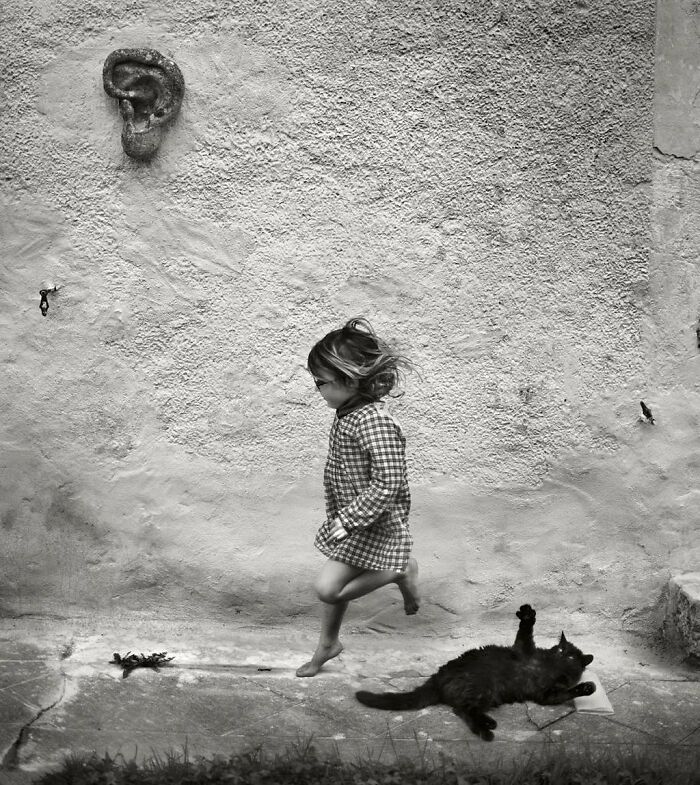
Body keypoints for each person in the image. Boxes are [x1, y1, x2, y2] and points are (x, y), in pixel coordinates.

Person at [296, 317, 420, 678]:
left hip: (374, 524)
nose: (318, 389)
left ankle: (400, 571)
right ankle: (327, 645)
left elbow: (388, 482)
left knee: (327, 590)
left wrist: (348, 520)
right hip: (352, 522)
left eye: (321, 382)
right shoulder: (349, 413)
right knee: (333, 587)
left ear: (349, 380)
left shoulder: (373, 421)